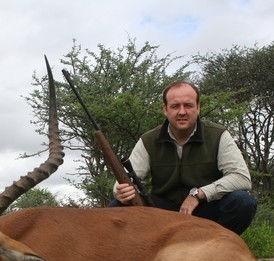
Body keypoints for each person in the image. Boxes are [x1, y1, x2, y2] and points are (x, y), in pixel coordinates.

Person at [110, 81, 256, 235]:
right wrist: (120, 192)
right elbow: (123, 182)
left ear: (198, 108)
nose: (182, 112)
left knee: (243, 202)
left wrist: (198, 195)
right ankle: (143, 256)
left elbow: (241, 178)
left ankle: (215, 250)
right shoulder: (148, 140)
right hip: (163, 213)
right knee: (118, 206)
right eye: (175, 106)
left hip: (205, 207)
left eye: (188, 105)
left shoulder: (218, 135)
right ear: (165, 109)